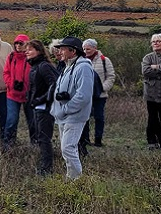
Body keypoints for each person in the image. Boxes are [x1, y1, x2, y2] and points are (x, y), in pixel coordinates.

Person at [50, 36, 94, 180]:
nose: (59, 52)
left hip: (74, 115)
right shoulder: (69, 66)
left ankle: (76, 181)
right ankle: (71, 178)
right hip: (64, 115)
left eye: (62, 49)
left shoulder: (84, 67)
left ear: (73, 51)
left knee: (68, 148)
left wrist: (65, 109)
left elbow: (83, 95)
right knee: (67, 148)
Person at [25, 40, 58, 176]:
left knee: (44, 138)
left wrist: (41, 99)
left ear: (39, 51)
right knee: (40, 137)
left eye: (30, 49)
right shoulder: (35, 66)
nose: (27, 52)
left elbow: (54, 85)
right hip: (37, 106)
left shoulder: (44, 66)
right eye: (26, 49)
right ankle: (44, 164)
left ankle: (47, 168)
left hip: (45, 107)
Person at [81, 38, 116, 147]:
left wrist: (102, 88)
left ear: (95, 48)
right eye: (84, 49)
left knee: (99, 118)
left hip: (100, 96)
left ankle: (98, 140)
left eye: (88, 49)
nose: (86, 51)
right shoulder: (81, 60)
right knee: (84, 118)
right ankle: (85, 140)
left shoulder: (104, 60)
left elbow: (111, 76)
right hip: (85, 95)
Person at [2, 34, 35, 146]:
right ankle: (9, 144)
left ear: (26, 45)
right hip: (12, 94)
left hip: (28, 95)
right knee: (12, 120)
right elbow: (6, 72)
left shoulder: (31, 58)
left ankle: (35, 144)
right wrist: (10, 84)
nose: (18, 45)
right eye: (16, 43)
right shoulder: (11, 57)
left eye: (21, 43)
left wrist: (30, 87)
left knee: (32, 121)